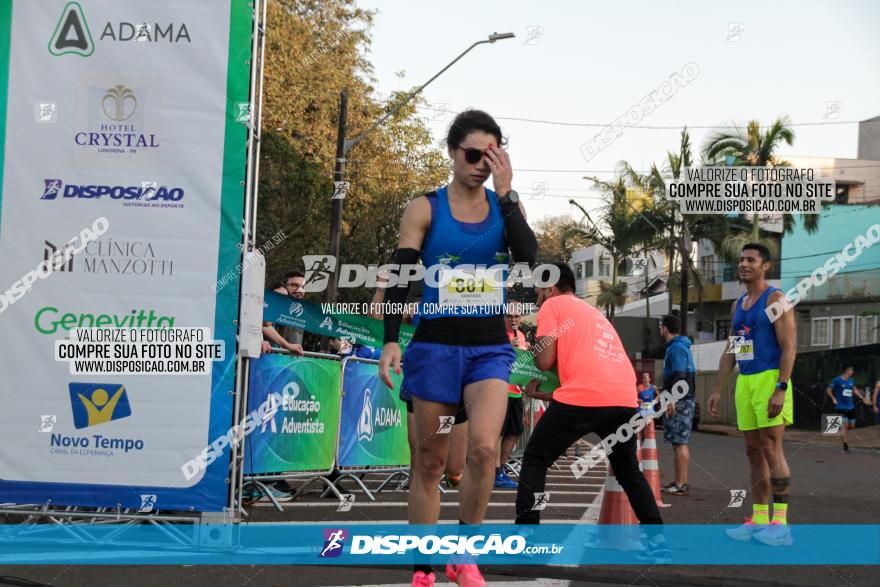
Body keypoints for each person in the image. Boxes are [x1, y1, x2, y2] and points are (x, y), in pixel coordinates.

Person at [379, 109, 537, 587]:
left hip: (489, 349)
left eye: (491, 156)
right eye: (473, 154)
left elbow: (529, 260)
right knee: (429, 463)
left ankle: (463, 555)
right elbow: (404, 275)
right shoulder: (425, 208)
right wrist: (390, 339)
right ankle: (424, 567)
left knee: (485, 449)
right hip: (435, 349)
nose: (481, 164)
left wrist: (507, 195)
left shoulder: (505, 208)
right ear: (452, 151)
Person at [514, 262, 665, 553]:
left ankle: (527, 533)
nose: (535, 291)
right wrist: (551, 394)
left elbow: (544, 361)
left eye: (538, 285)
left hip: (582, 401)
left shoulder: (552, 306)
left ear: (550, 286)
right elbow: (592, 366)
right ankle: (657, 540)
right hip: (623, 399)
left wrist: (531, 355)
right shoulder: (592, 313)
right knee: (629, 472)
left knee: (535, 458)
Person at [708, 243, 796, 546]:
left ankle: (780, 525)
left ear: (765, 266)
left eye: (751, 260)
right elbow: (732, 350)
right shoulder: (738, 304)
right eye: (742, 259)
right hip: (745, 381)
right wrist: (718, 389)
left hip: (770, 379)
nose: (744, 264)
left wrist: (781, 388)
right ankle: (759, 519)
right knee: (753, 452)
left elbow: (789, 347)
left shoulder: (776, 300)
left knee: (772, 449)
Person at [659, 315, 697, 497]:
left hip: (681, 400)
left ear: (665, 328)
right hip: (681, 399)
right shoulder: (678, 346)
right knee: (678, 442)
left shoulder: (677, 347)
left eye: (661, 326)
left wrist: (672, 399)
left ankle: (681, 484)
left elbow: (679, 375)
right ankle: (681, 481)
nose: (660, 329)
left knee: (680, 442)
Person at [495, 304, 528, 489]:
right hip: (499, 389)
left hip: (516, 391)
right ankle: (495, 471)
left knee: (514, 431)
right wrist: (508, 347)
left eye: (516, 316)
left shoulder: (521, 335)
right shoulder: (497, 334)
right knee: (498, 433)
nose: (513, 320)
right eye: (509, 316)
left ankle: (500, 468)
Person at [825, 367, 868, 453]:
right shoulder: (837, 380)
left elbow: (854, 390)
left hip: (850, 406)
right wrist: (833, 398)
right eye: (851, 370)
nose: (852, 371)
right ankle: (845, 446)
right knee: (845, 425)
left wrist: (863, 398)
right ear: (846, 371)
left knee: (851, 426)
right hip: (841, 406)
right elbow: (828, 390)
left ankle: (844, 437)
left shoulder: (851, 380)